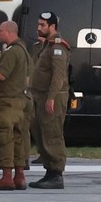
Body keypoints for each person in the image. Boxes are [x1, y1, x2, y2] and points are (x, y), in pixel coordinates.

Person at [28, 11, 72, 188]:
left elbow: (58, 76)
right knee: (41, 133)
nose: (39, 28)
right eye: (38, 24)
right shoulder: (45, 45)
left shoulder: (57, 47)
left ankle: (56, 173)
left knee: (52, 133)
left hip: (52, 96)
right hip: (40, 95)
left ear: (52, 26)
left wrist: (51, 98)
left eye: (42, 25)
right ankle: (49, 170)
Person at [0, 21, 31, 190]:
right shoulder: (23, 51)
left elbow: (1, 74)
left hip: (8, 102)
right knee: (18, 138)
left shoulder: (13, 51)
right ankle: (19, 176)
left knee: (4, 138)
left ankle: (6, 177)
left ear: (9, 32)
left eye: (0, 31)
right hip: (21, 101)